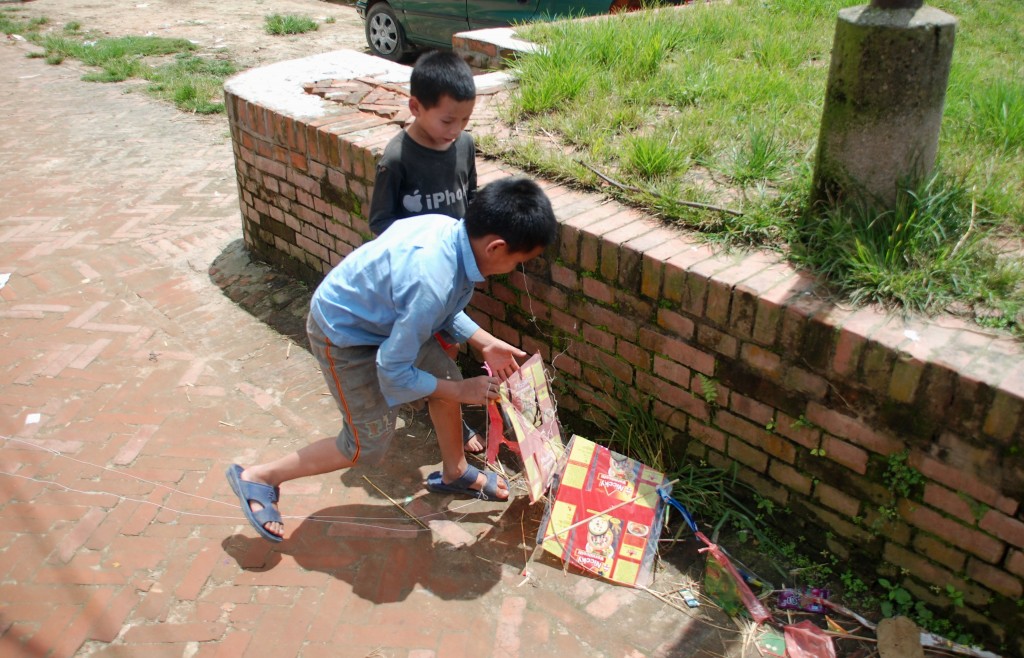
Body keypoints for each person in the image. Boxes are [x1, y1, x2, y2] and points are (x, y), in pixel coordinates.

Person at [226, 177, 558, 542]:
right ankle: (260, 477)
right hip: (345, 336)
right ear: (496, 247)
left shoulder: (451, 232)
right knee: (364, 444)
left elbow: (438, 309)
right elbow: (393, 370)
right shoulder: (432, 279)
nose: (516, 268)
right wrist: (461, 390)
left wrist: (483, 341)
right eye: (519, 261)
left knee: (443, 378)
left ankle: (455, 471)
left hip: (388, 324)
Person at [368, 49, 484, 453]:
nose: (456, 129)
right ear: (415, 107)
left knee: (445, 353)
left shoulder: (464, 145)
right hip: (417, 283)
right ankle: (444, 407)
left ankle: (444, 407)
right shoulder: (397, 159)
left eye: (465, 120)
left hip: (453, 279)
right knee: (428, 359)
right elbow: (380, 225)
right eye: (448, 120)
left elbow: (470, 198)